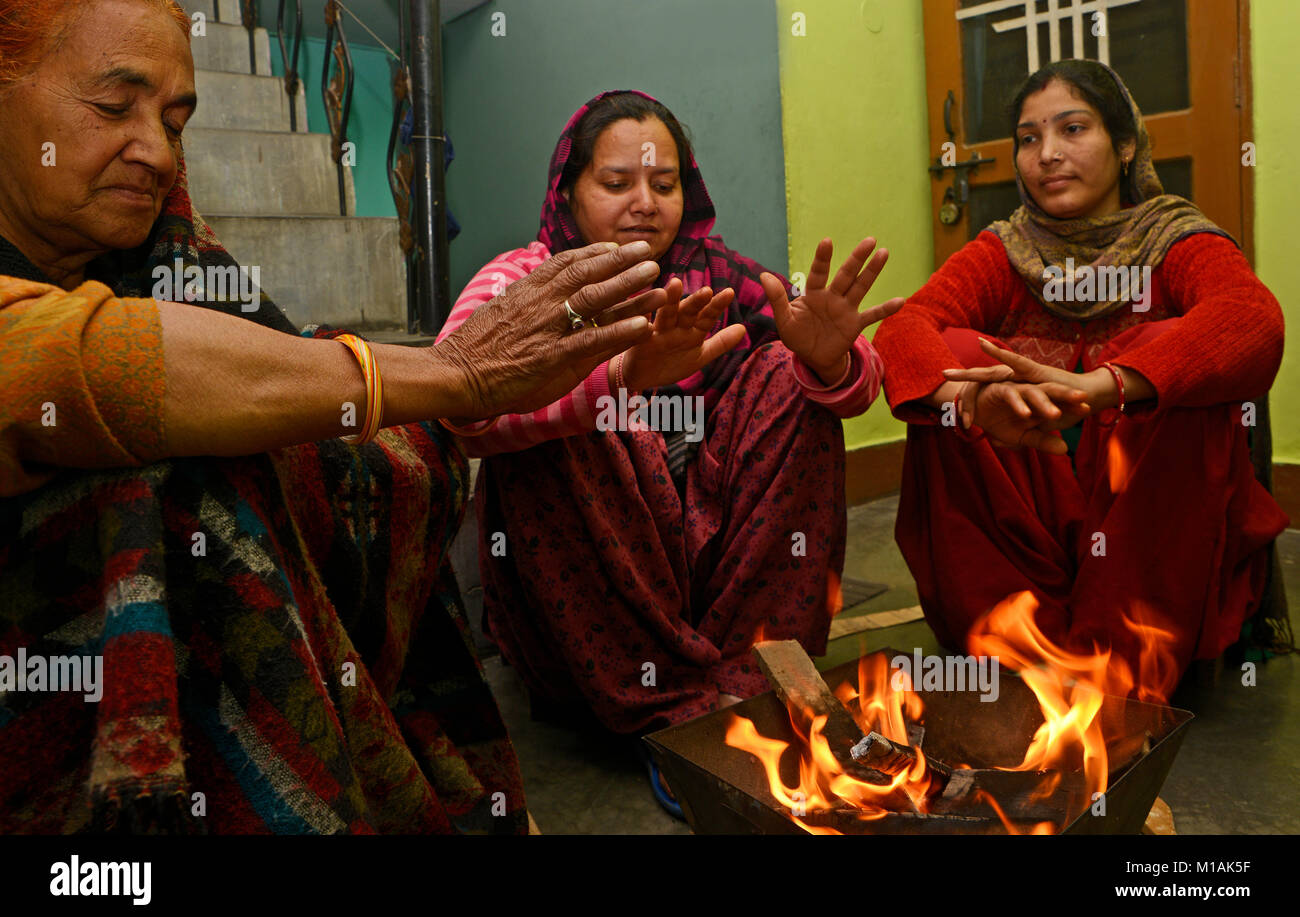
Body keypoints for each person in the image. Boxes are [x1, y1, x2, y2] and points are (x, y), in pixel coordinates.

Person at [0, 0, 662, 833]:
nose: (155, 152)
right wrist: (454, 375)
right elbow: (89, 363)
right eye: (112, 107)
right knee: (180, 464)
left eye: (175, 121)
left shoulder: (175, 263)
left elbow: (273, 365)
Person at [440, 90, 904, 743]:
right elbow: (454, 402)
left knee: (787, 375)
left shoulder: (715, 278)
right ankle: (668, 718)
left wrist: (832, 364)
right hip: (586, 622)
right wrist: (619, 377)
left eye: (665, 183)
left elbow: (855, 383)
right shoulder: (523, 282)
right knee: (573, 392)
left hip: (704, 567)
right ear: (567, 193)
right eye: (616, 182)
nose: (645, 202)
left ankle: (750, 685)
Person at [872, 59, 1288, 691]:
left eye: (1073, 129)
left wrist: (1106, 386)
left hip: (1140, 525)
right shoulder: (1009, 246)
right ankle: (1013, 643)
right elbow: (905, 329)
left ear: (1125, 146)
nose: (1047, 155)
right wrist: (972, 399)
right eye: (1029, 138)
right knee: (955, 355)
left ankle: (1121, 664)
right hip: (1032, 491)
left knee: (1172, 346)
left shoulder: (1172, 237)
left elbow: (1252, 319)